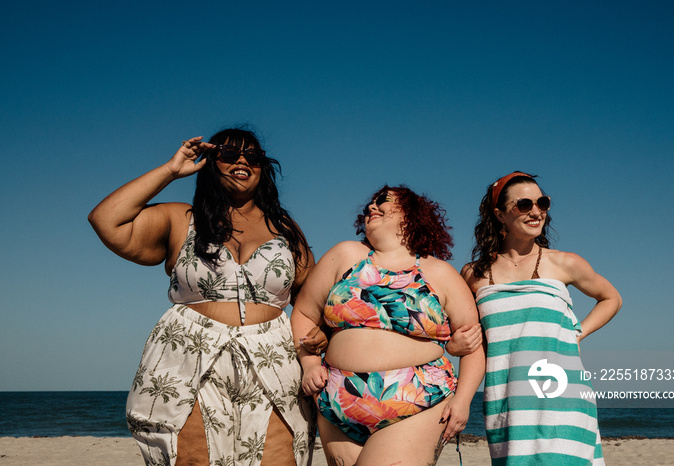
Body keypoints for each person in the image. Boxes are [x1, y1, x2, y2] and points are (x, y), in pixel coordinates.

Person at [88, 129, 315, 466]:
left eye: (252, 156)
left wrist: (319, 337)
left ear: (262, 168)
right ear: (210, 161)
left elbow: (314, 300)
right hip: (189, 359)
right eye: (228, 153)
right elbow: (106, 220)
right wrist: (171, 170)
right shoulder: (181, 219)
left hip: (274, 361)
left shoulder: (285, 229)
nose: (241, 160)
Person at [290, 185, 485, 465]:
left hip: (418, 402)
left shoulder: (440, 272)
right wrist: (309, 363)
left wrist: (464, 401)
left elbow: (473, 346)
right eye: (369, 203)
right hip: (338, 403)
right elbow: (303, 314)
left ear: (410, 214)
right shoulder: (344, 254)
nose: (371, 206)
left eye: (383, 201)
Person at [460, 171, 622, 465]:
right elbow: (471, 338)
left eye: (542, 202)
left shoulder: (564, 262)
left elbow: (611, 298)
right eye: (524, 204)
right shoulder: (473, 274)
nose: (536, 211)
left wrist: (577, 332)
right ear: (499, 214)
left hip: (563, 396)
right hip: (506, 401)